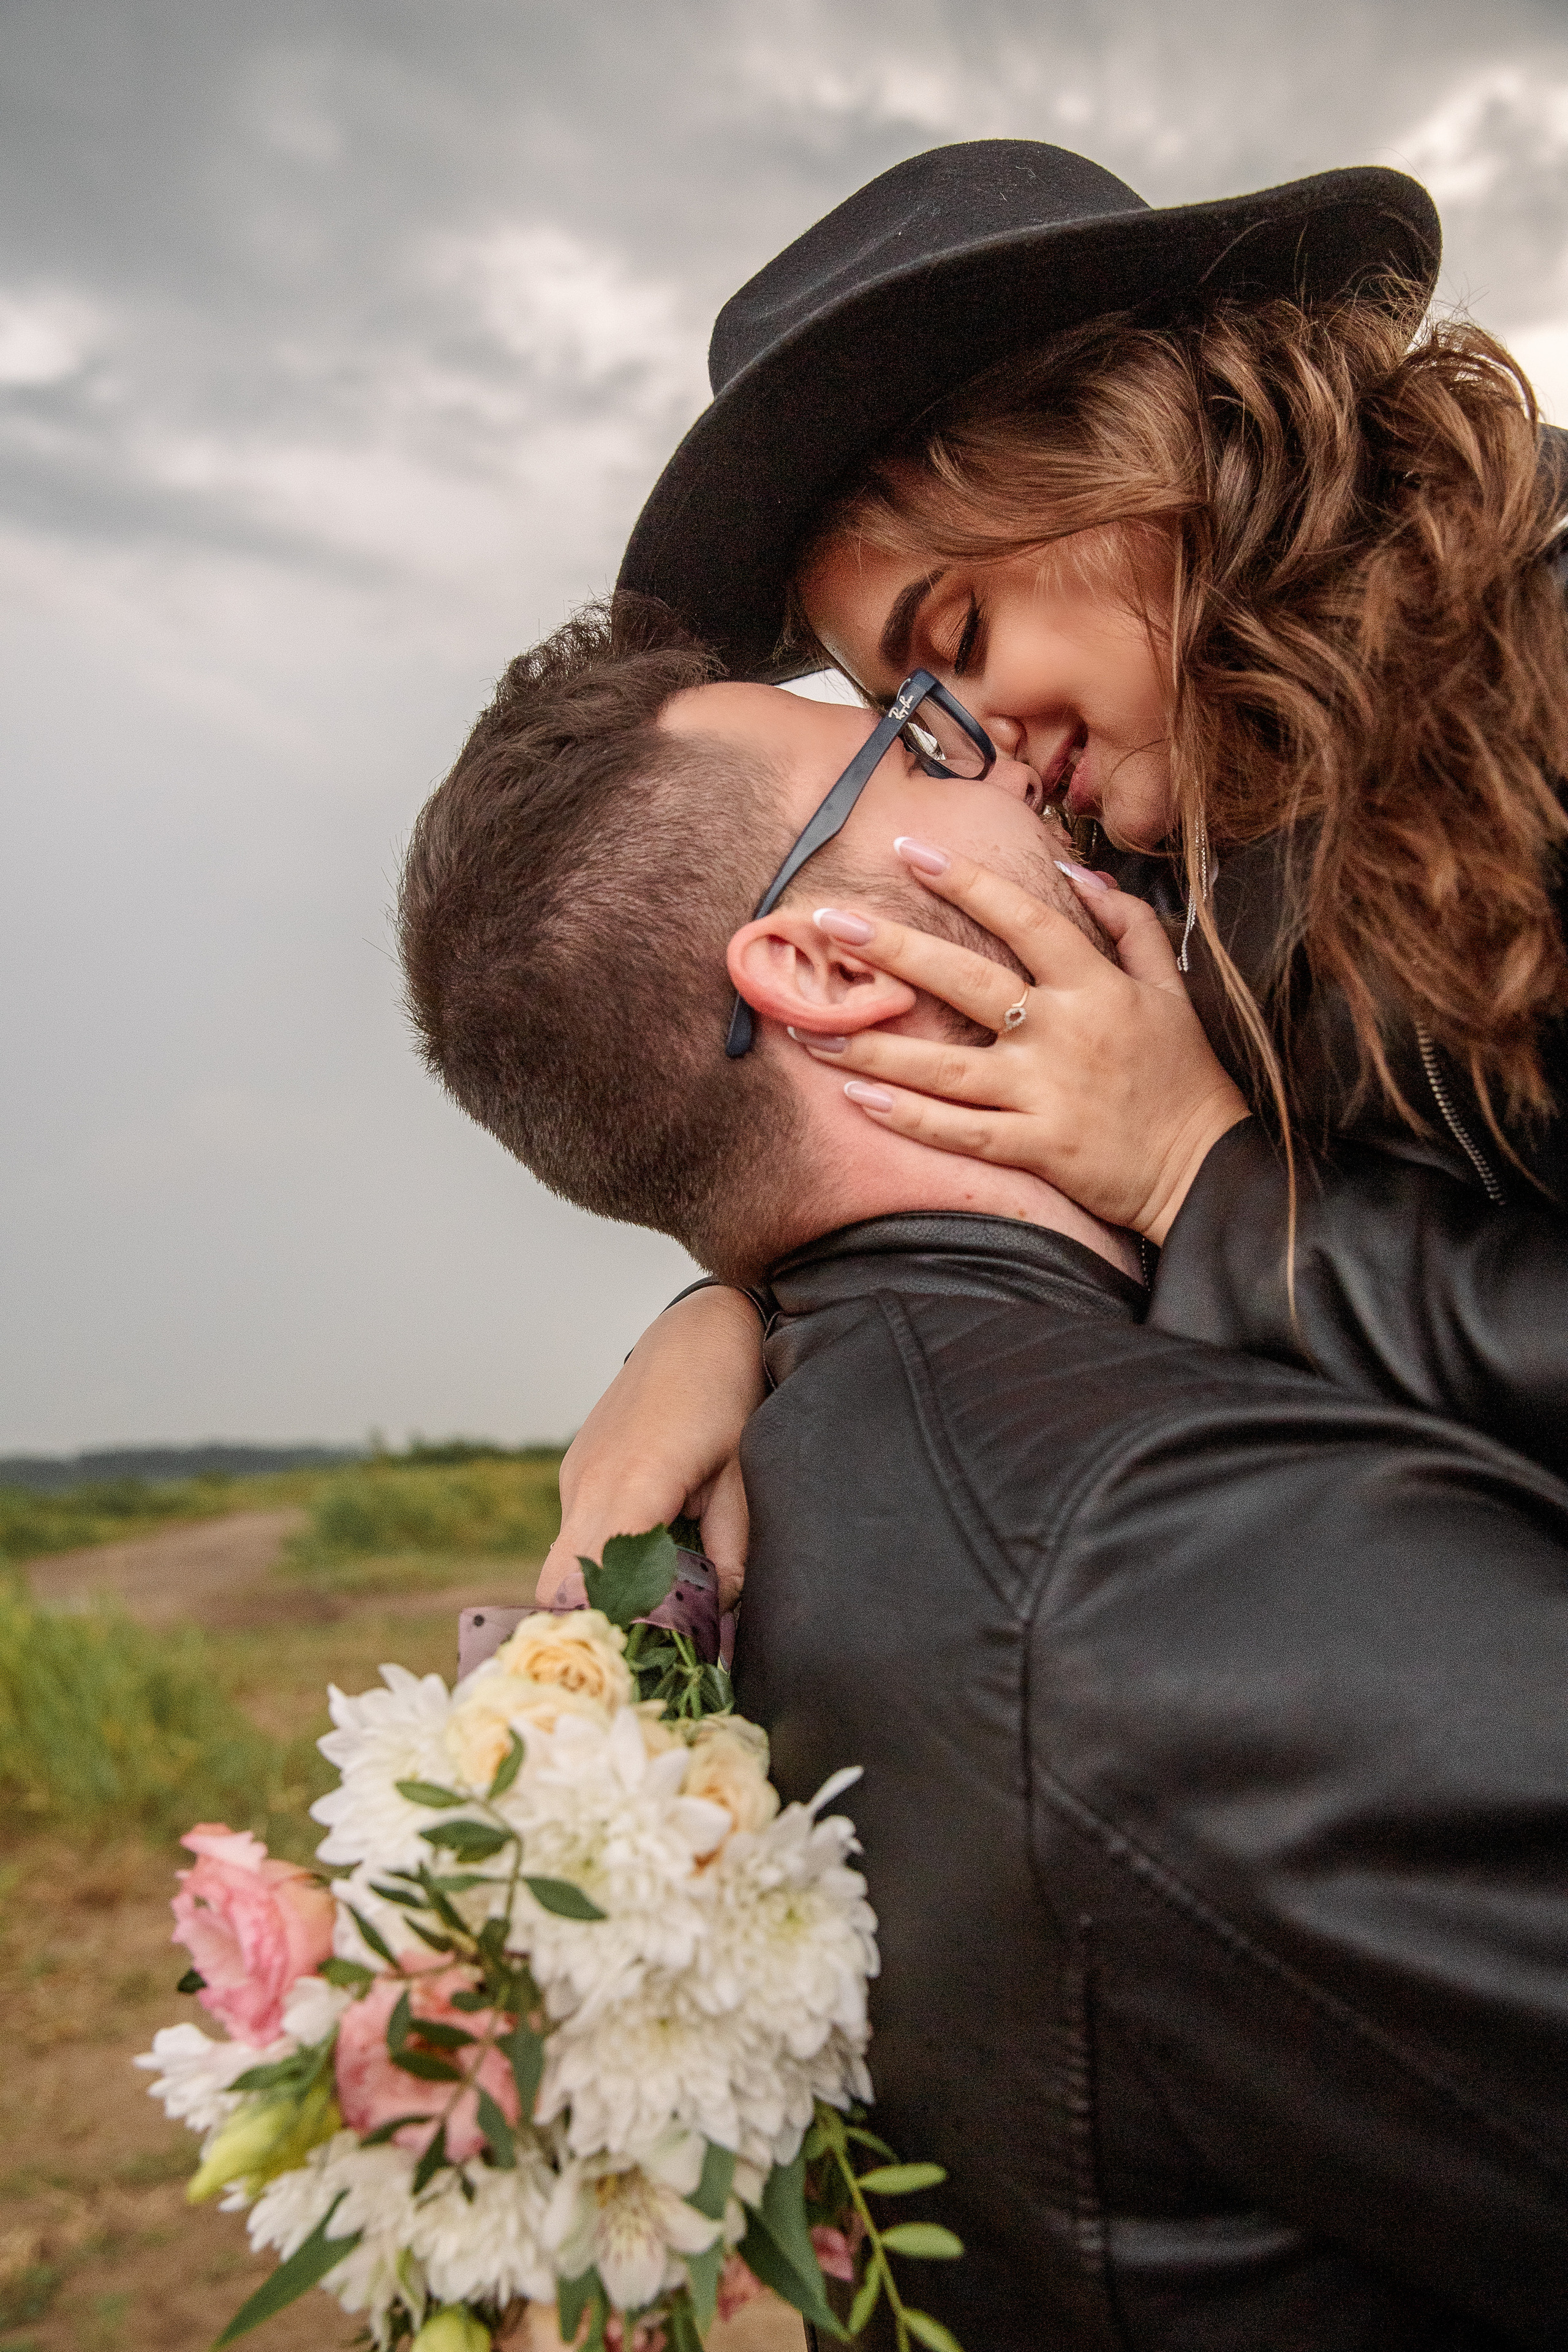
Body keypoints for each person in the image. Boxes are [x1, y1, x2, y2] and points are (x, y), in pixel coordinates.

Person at [398, 602, 1568, 2350]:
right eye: (916, 745)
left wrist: (724, 1297)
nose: (1016, 762)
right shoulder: (1179, 1570)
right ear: (832, 970)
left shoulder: (790, 1483)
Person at [541, 137, 1568, 1605]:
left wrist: (1195, 1177)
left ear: (1144, 450)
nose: (977, 745)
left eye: (952, 641)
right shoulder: (1166, 845)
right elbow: (928, 1164)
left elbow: (1189, 1185)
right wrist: (718, 1321)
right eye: (907, 711)